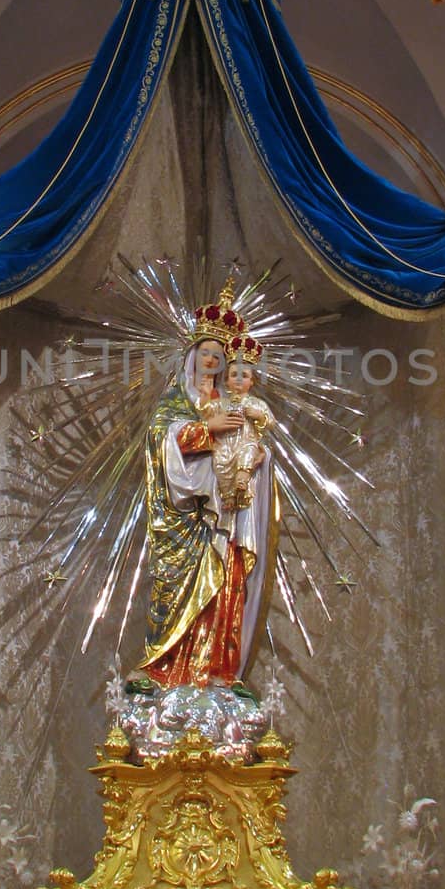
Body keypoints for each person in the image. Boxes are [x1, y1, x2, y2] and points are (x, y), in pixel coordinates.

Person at [135, 283, 275, 691]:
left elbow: (257, 443)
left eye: (219, 356)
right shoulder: (176, 402)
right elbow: (158, 442)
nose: (212, 360)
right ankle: (168, 668)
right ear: (193, 357)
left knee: (228, 586)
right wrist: (203, 430)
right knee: (177, 588)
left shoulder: (237, 403)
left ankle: (217, 672)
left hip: (227, 513)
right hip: (184, 519)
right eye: (206, 353)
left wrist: (258, 462)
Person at [209, 337, 273, 513]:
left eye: (244, 376)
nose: (238, 379)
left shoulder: (256, 403)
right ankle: (228, 495)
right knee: (219, 462)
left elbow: (270, 422)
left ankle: (242, 479)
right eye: (233, 375)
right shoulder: (219, 403)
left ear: (252, 381)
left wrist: (259, 416)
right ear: (227, 380)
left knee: (249, 450)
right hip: (224, 443)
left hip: (246, 441)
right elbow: (207, 418)